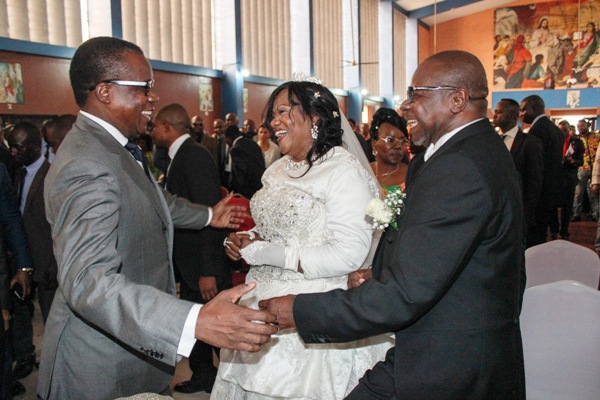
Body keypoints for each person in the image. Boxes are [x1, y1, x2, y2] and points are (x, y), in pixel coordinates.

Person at [260, 51, 526, 399]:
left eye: (418, 94)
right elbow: (438, 253)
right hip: (441, 345)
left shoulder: (460, 167)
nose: (407, 105)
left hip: (449, 364)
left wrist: (300, 310)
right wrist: (381, 270)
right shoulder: (467, 152)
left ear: (457, 99)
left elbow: (407, 293)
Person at [37, 36, 277, 400]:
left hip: (132, 349)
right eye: (143, 87)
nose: (153, 98)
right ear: (104, 91)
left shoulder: (112, 146)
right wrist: (194, 320)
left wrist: (208, 214)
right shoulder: (87, 162)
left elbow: (152, 200)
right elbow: (87, 279)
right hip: (101, 363)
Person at [212, 80, 393, 400]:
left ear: (316, 118)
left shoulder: (340, 169)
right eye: (271, 115)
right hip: (260, 299)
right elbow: (279, 228)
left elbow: (350, 253)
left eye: (283, 111)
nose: (272, 122)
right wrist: (247, 239)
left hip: (311, 306)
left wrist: (267, 252)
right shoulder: (276, 171)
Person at [153, 104, 230, 394]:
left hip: (202, 264)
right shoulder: (177, 157)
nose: (153, 133)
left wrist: (208, 270)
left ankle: (234, 382)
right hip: (189, 264)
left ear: (167, 128)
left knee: (219, 328)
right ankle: (204, 375)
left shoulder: (194, 156)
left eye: (156, 127)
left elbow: (213, 216)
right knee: (196, 324)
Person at [7, 122, 58, 323]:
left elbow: (58, 225)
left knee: (51, 320)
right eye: (11, 146)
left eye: (18, 147)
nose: (13, 152)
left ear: (35, 147)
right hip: (24, 262)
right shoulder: (19, 174)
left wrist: (54, 265)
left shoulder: (52, 175)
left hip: (47, 267)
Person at [492, 99, 543, 246]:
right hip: (494, 214)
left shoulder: (530, 143)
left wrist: (525, 214)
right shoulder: (492, 141)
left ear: (513, 115)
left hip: (517, 214)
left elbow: (535, 182)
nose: (495, 115)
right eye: (495, 112)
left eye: (499, 112)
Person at [519, 95, 563, 246]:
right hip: (549, 190)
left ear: (535, 108)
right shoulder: (553, 128)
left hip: (539, 193)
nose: (521, 113)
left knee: (535, 237)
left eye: (524, 109)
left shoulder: (538, 130)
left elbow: (535, 167)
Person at [551, 120, 583, 240]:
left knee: (567, 207)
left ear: (569, 130)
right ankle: (554, 229)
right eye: (560, 130)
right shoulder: (554, 142)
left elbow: (581, 161)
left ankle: (564, 231)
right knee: (553, 206)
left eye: (564, 130)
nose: (562, 132)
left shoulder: (577, 142)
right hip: (555, 178)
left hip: (569, 178)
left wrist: (573, 161)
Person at [369, 107, 410, 192]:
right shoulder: (363, 171)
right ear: (374, 144)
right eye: (390, 140)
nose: (398, 146)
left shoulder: (411, 176)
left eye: (403, 141)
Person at [224, 124, 265, 199]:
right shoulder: (253, 143)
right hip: (259, 187)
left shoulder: (235, 149)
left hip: (245, 193)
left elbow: (240, 176)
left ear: (228, 137)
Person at [571, 119, 598, 221]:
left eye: (582, 126)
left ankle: (595, 213)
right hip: (582, 168)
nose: (580, 128)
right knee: (578, 192)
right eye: (578, 126)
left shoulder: (596, 137)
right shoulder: (576, 139)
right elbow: (570, 151)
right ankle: (576, 214)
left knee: (593, 193)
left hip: (595, 168)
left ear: (587, 126)